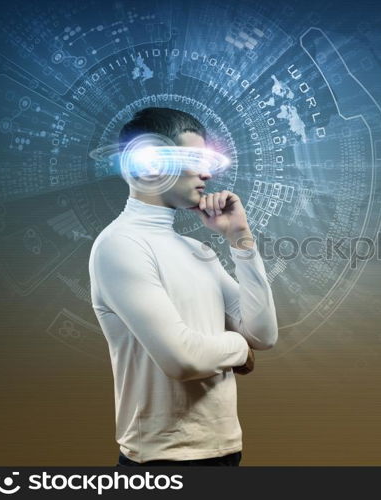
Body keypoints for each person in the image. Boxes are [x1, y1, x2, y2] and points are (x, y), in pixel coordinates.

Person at [88, 107, 278, 467]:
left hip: (224, 450)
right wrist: (240, 349)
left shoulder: (198, 249)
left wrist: (241, 241)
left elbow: (264, 335)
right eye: (193, 159)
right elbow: (182, 359)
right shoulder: (120, 245)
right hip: (161, 462)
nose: (206, 173)